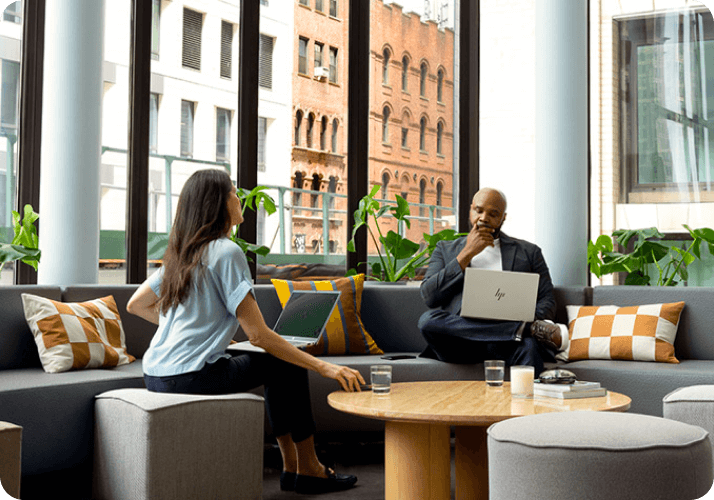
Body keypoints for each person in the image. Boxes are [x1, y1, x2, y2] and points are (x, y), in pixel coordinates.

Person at [126, 169, 365, 495]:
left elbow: (136, 305)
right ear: (219, 203)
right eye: (234, 193)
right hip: (192, 375)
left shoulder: (183, 252)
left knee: (275, 361)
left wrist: (198, 333)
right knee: (285, 360)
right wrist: (326, 366)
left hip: (155, 373)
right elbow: (259, 334)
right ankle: (306, 467)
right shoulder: (226, 251)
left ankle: (295, 468)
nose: (240, 199)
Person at [417, 188, 562, 377]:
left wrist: (529, 316)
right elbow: (429, 296)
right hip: (460, 342)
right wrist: (466, 254)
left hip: (508, 345)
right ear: (470, 210)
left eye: (493, 214)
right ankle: (521, 329)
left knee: (530, 346)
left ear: (503, 218)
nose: (484, 218)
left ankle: (529, 405)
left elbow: (547, 300)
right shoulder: (445, 249)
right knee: (427, 321)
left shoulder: (529, 252)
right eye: (479, 210)